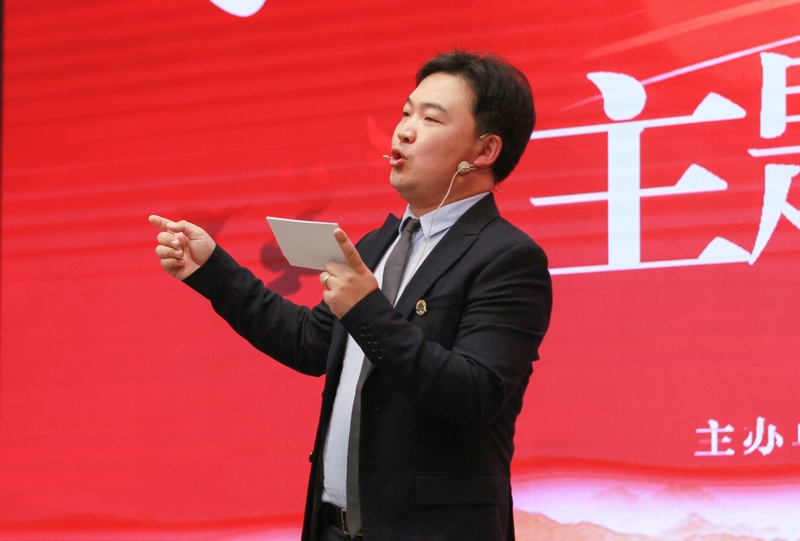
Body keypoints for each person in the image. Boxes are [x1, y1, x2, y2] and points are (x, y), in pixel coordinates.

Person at [149, 51, 552, 541]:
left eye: (430, 119)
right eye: (405, 113)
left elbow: (473, 394)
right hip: (332, 528)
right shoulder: (378, 244)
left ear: (484, 150)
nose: (404, 131)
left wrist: (366, 308)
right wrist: (213, 270)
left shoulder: (507, 258)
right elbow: (310, 343)